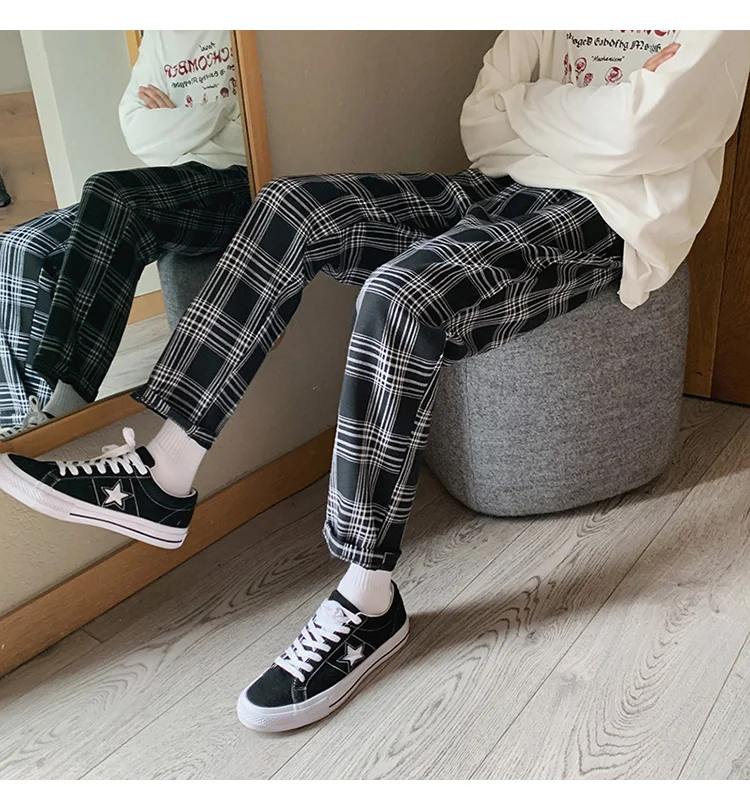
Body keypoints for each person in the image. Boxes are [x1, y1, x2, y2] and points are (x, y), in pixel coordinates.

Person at [1, 30, 747, 733]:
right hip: (496, 183)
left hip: (607, 213)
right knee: (291, 207)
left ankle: (368, 598)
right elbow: (481, 123)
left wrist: (531, 109)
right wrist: (586, 115)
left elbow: (641, 133)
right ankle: (166, 469)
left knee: (400, 296)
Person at [0, 30, 250, 438]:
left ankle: (66, 404)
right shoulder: (161, 33)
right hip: (173, 180)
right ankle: (22, 419)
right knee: (19, 245)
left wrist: (176, 121)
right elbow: (138, 133)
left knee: (110, 191)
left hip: (240, 181)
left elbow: (253, 128)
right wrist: (221, 111)